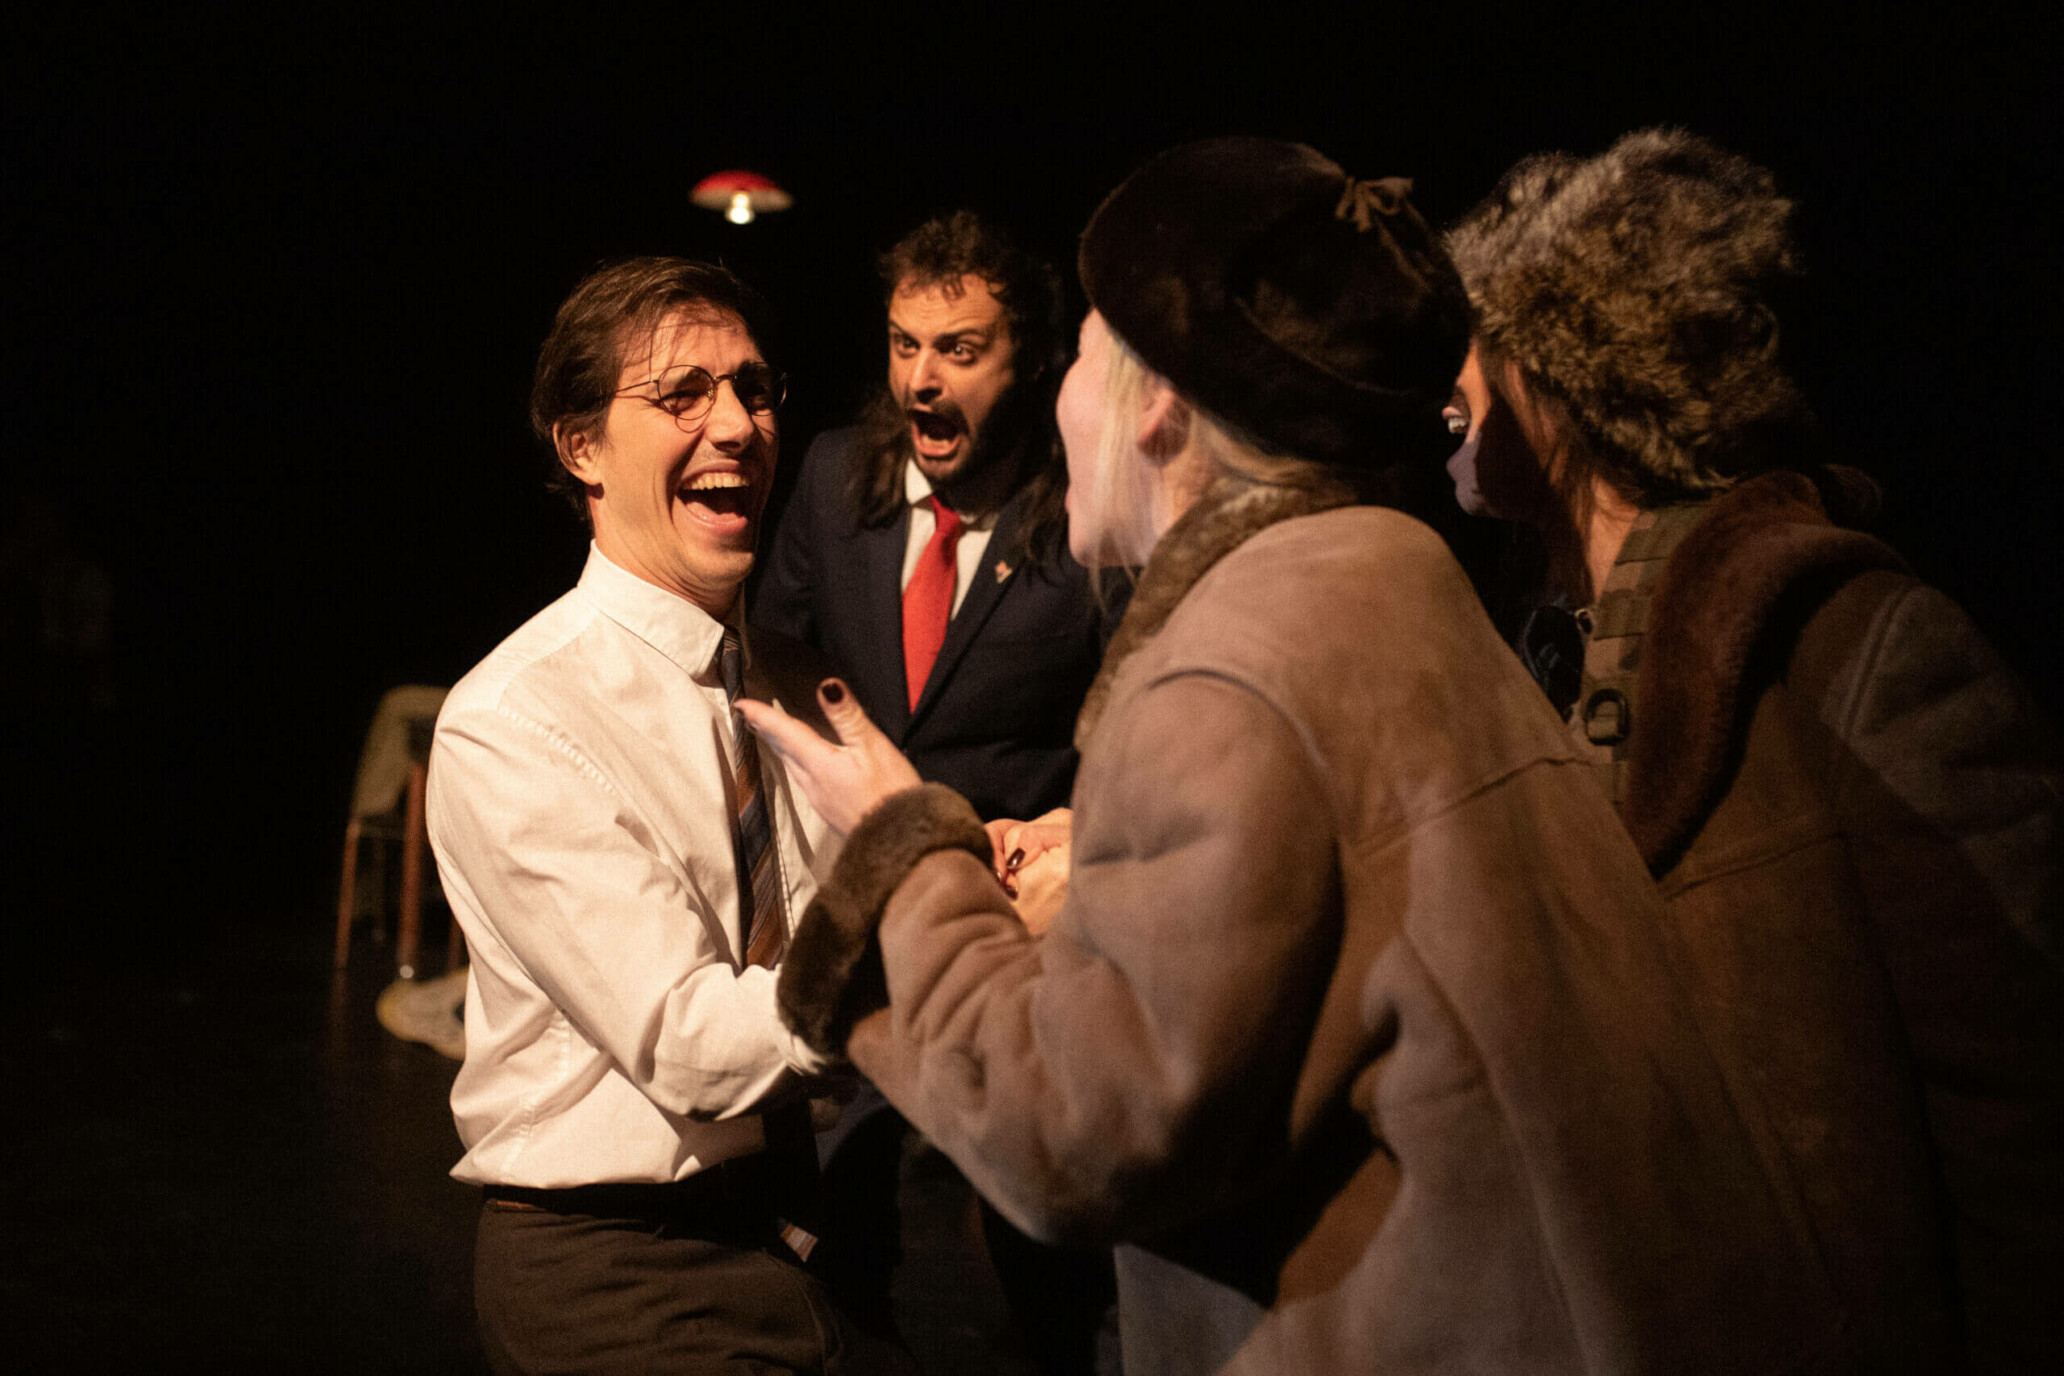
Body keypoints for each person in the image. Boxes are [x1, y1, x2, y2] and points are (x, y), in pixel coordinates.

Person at [739, 138, 1854, 1374]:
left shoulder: (1228, 667)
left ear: (1158, 402)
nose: (1061, 398)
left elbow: (1073, 1133)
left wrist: (902, 848)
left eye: (1087, 357)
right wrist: (1099, 848)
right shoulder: (1388, 570)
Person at [1439, 127, 2064, 1373]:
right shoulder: (1543, 650)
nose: (1441, 383)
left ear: (1565, 371)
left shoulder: (1858, 646)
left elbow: (2024, 1110)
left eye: (1480, 340)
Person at [426, 257, 899, 1375]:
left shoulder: (798, 685)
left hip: (796, 1229)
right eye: (682, 393)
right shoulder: (517, 717)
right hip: (621, 1267)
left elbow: (859, 910)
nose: (737, 424)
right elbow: (693, 1046)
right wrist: (926, 922)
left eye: (754, 389)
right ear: (581, 447)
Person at [755, 211, 1123, 1374]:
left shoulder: (1087, 509)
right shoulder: (833, 476)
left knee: (1047, 1258)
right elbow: (774, 658)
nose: (922, 378)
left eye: (960, 349)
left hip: (1013, 934)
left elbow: (1129, 722)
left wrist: (1071, 836)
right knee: (836, 1238)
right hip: (859, 913)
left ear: (1030, 358)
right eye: (906, 343)